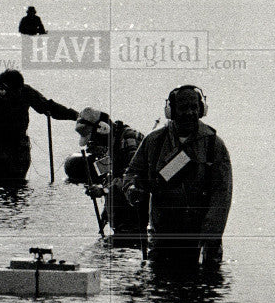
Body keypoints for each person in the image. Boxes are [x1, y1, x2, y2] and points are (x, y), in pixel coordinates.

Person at [122, 85, 232, 268]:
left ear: (201, 109)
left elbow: (222, 194)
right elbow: (132, 173)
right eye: (183, 107)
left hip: (199, 237)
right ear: (171, 111)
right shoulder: (154, 141)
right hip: (162, 234)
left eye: (194, 107)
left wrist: (210, 237)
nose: (190, 112)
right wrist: (132, 189)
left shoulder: (214, 145)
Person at [0, 68, 76, 183]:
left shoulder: (25, 91)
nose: (17, 96)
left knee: (20, 187)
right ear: (2, 89)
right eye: (14, 94)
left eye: (18, 92)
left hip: (20, 150)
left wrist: (75, 116)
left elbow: (48, 107)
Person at [64, 107, 147, 241]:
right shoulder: (113, 144)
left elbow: (131, 179)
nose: (93, 145)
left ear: (103, 129)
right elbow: (112, 178)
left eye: (93, 140)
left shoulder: (129, 140)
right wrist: (105, 215)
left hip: (137, 208)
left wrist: (103, 191)